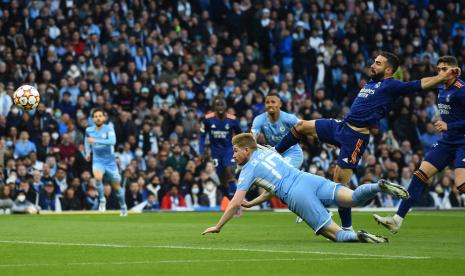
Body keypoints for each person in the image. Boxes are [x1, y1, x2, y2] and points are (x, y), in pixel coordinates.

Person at [274, 51, 459, 231]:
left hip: (355, 138)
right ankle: (274, 153)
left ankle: (346, 228)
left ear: (388, 70)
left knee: (340, 185)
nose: (372, 64)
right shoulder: (372, 82)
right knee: (301, 126)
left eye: (378, 63)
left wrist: (440, 77)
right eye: (374, 61)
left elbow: (419, 84)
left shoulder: (391, 85)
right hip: (342, 126)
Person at [202, 133, 409, 243]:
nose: (234, 155)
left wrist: (218, 226)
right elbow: (271, 186)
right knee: (354, 197)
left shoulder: (247, 170)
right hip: (309, 179)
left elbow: (234, 203)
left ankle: (359, 236)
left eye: (236, 151)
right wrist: (253, 202)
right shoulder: (266, 150)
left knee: (334, 234)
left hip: (296, 195)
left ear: (247, 150)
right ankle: (378, 185)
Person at [374, 56, 465, 233]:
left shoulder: (462, 90)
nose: (440, 72)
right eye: (438, 69)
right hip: (447, 142)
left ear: (454, 70)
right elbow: (417, 85)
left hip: (463, 142)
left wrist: (449, 125)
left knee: (461, 185)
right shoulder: (440, 87)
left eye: (444, 69)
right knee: (420, 175)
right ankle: (397, 220)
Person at [85, 108, 127, 216]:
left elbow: (113, 141)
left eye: (100, 116)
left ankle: (123, 206)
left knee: (117, 188)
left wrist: (96, 141)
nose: (98, 118)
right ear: (93, 119)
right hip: (97, 160)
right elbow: (87, 141)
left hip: (110, 162)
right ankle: (102, 200)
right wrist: (88, 152)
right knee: (98, 178)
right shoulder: (89, 130)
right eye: (96, 116)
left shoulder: (109, 129)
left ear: (104, 118)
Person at [199, 97, 241, 198]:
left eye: (222, 105)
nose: (220, 107)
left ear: (226, 106)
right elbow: (202, 136)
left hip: (228, 150)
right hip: (215, 152)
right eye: (218, 105)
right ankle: (229, 197)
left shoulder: (233, 120)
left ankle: (237, 200)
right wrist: (201, 151)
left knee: (229, 170)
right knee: (222, 178)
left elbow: (240, 135)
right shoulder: (207, 119)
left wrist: (240, 149)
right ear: (214, 107)